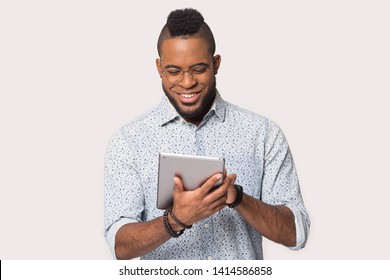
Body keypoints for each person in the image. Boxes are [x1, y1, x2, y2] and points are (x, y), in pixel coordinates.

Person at [104, 8, 310, 260]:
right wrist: (176, 220)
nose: (187, 82)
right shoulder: (129, 141)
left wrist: (237, 198)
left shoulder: (263, 133)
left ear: (216, 64)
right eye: (174, 71)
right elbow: (120, 246)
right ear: (159, 68)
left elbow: (296, 233)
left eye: (198, 69)